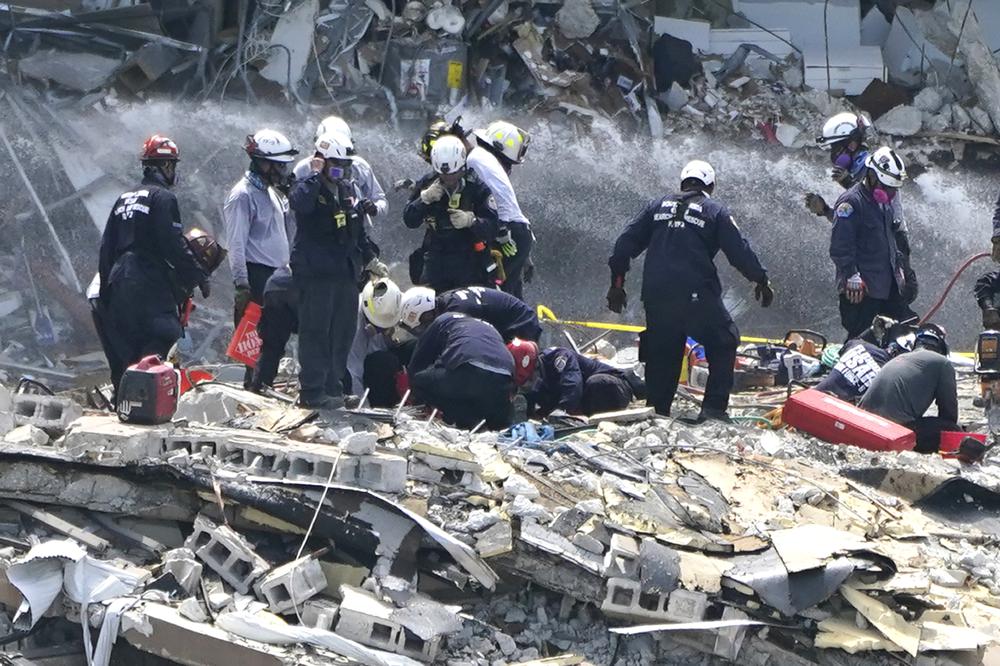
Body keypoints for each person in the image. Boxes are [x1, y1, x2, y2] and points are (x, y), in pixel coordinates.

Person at [608, 160, 773, 422]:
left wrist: (617, 285)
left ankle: (657, 410)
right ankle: (713, 410)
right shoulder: (714, 211)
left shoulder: (656, 206)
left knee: (664, 350)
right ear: (711, 186)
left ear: (682, 182)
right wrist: (760, 280)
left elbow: (624, 244)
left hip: (656, 294)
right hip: (696, 294)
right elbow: (739, 251)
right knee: (724, 340)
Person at [96, 135, 220, 392]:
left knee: (128, 345)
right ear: (165, 167)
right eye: (172, 166)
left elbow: (107, 246)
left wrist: (108, 290)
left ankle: (125, 401)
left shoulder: (124, 198)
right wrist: (198, 275)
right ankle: (146, 399)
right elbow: (172, 244)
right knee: (163, 334)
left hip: (120, 278)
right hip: (147, 277)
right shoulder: (163, 198)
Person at [289, 132, 386, 409]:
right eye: (334, 165)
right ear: (320, 161)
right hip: (316, 271)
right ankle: (312, 389)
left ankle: (334, 386)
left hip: (344, 272)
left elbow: (357, 229)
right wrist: (314, 175)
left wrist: (370, 258)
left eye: (344, 165)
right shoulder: (307, 186)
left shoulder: (347, 189)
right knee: (316, 330)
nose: (340, 171)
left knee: (342, 331)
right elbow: (299, 204)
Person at [807, 115, 918, 316]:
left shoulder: (880, 175)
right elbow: (854, 228)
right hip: (867, 282)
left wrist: (906, 272)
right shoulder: (858, 187)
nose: (833, 156)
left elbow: (887, 225)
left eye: (835, 149)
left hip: (883, 273)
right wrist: (826, 212)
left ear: (850, 145)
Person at [223, 129, 298, 385]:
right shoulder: (242, 195)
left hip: (278, 277)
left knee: (274, 342)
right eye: (279, 166)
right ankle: (251, 389)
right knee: (252, 346)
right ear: (263, 163)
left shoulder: (273, 194)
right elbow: (236, 243)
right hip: (256, 276)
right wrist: (241, 284)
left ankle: (262, 387)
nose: (283, 172)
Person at [829, 146, 914, 340]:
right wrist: (851, 275)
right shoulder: (850, 203)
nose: (890, 193)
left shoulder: (883, 203)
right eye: (886, 187)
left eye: (893, 189)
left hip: (886, 285)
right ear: (871, 175)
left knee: (898, 336)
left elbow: (890, 239)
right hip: (862, 290)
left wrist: (901, 270)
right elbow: (840, 246)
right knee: (862, 340)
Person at [403, 136, 499, 291]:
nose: (448, 179)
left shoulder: (476, 187)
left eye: (453, 174)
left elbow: (493, 227)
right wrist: (424, 199)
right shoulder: (428, 182)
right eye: (444, 175)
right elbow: (409, 220)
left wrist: (471, 221)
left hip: (469, 260)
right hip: (436, 259)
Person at [859, 325, 958, 453]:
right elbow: (949, 414)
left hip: (864, 423)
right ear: (941, 350)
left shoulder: (899, 358)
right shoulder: (943, 363)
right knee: (952, 429)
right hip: (894, 431)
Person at [407, 312, 515, 429]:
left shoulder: (442, 321)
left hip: (469, 371)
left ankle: (438, 419)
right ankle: (468, 422)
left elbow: (418, 362)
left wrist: (413, 393)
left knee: (420, 380)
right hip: (503, 378)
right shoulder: (489, 327)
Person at [467, 121, 533, 299]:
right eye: (508, 164)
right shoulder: (484, 161)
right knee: (510, 296)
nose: (508, 169)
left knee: (492, 294)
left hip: (507, 232)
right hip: (518, 233)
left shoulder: (475, 160)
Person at [293, 116, 387, 224]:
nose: (342, 169)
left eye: (346, 163)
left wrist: (374, 208)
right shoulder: (303, 169)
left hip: (355, 232)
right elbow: (293, 211)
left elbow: (380, 200)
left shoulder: (359, 167)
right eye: (335, 161)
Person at [516, 343, 640, 417]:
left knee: (596, 383)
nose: (531, 384)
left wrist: (562, 413)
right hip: (588, 401)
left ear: (536, 366)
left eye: (531, 379)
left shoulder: (560, 356)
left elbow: (572, 386)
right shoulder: (541, 382)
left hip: (616, 386)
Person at [398, 285, 541, 342]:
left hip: (521, 326)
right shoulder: (447, 302)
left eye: (423, 324)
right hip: (507, 324)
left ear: (428, 314)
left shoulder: (458, 311)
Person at [347, 278, 408, 407]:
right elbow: (353, 372)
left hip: (372, 358)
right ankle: (380, 405)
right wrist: (363, 409)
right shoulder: (354, 326)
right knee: (383, 362)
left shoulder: (390, 306)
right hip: (359, 371)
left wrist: (389, 337)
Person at [250, 265, 297, 393]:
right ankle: (318, 391)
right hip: (299, 287)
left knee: (271, 345)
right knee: (316, 338)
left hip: (274, 286)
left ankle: (260, 386)